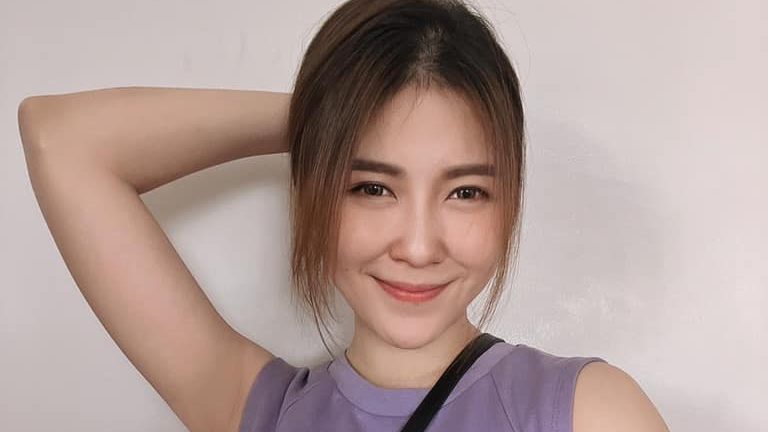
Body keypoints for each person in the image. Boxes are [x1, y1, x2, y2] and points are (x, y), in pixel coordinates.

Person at [17, 0, 669, 431]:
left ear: (510, 202)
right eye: (372, 187)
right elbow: (60, 138)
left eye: (466, 192)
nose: (418, 245)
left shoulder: (586, 412)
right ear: (317, 192)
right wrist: (330, 115)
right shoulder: (257, 409)